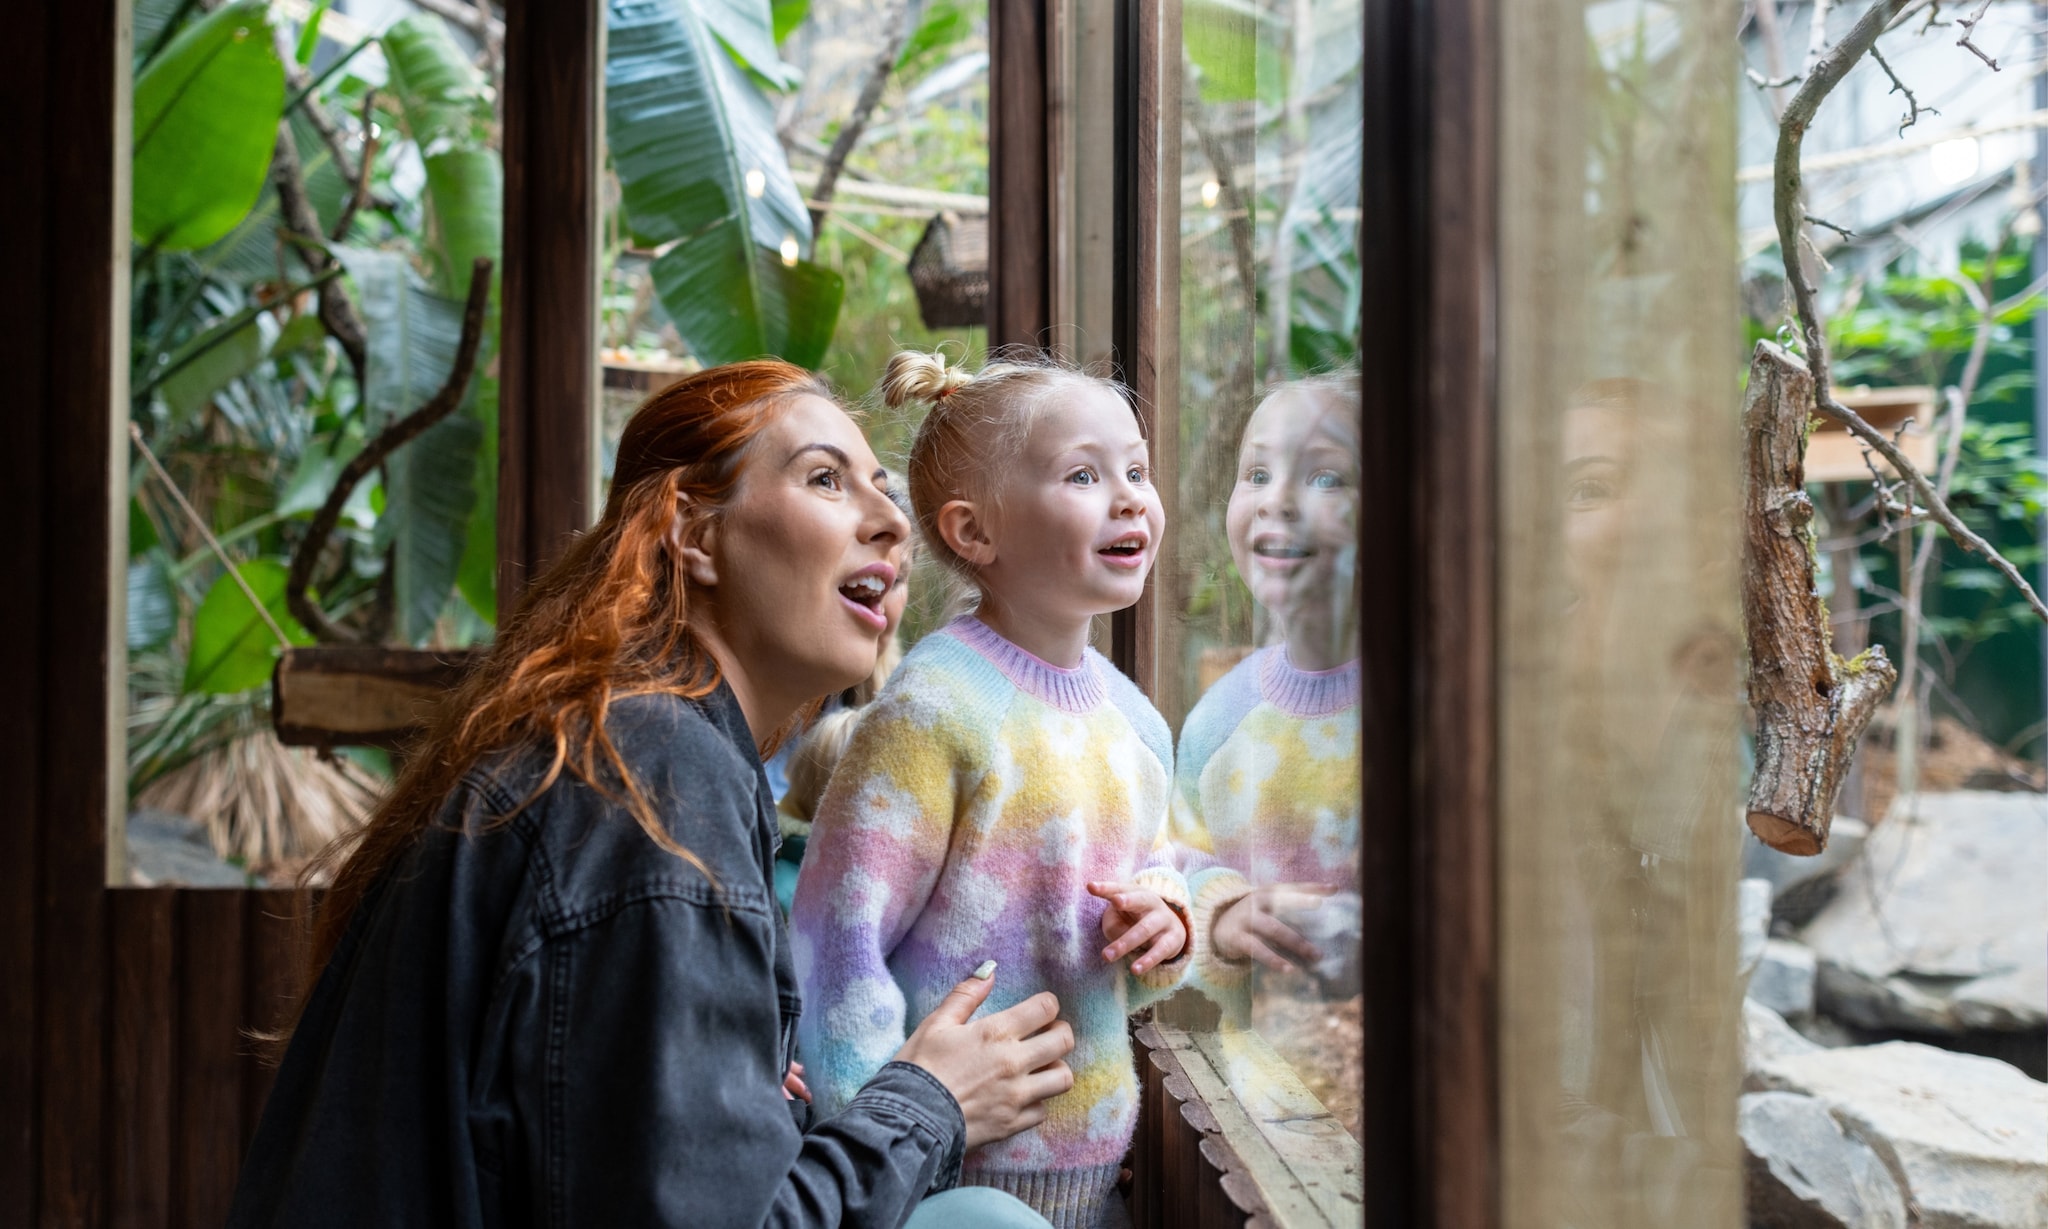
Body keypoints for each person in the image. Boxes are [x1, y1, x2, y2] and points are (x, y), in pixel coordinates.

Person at [228, 360, 1072, 1229]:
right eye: (825, 477)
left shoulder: (623, 741)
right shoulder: (654, 784)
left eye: (886, 491)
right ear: (692, 534)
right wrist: (928, 1101)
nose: (892, 522)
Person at [791, 351, 1191, 1229]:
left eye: (1137, 469)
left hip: (1098, 1188)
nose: (1129, 496)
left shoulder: (1135, 722)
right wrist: (877, 1141)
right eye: (1084, 474)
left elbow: (1153, 885)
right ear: (974, 534)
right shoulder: (935, 709)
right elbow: (834, 938)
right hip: (940, 1199)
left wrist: (1166, 922)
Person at [1168, 373, 1363, 1025]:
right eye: (1256, 473)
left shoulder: (1440, 705)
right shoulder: (1220, 720)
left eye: (1326, 477)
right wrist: (1221, 918)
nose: (1276, 500)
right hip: (1257, 1095)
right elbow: (1175, 867)